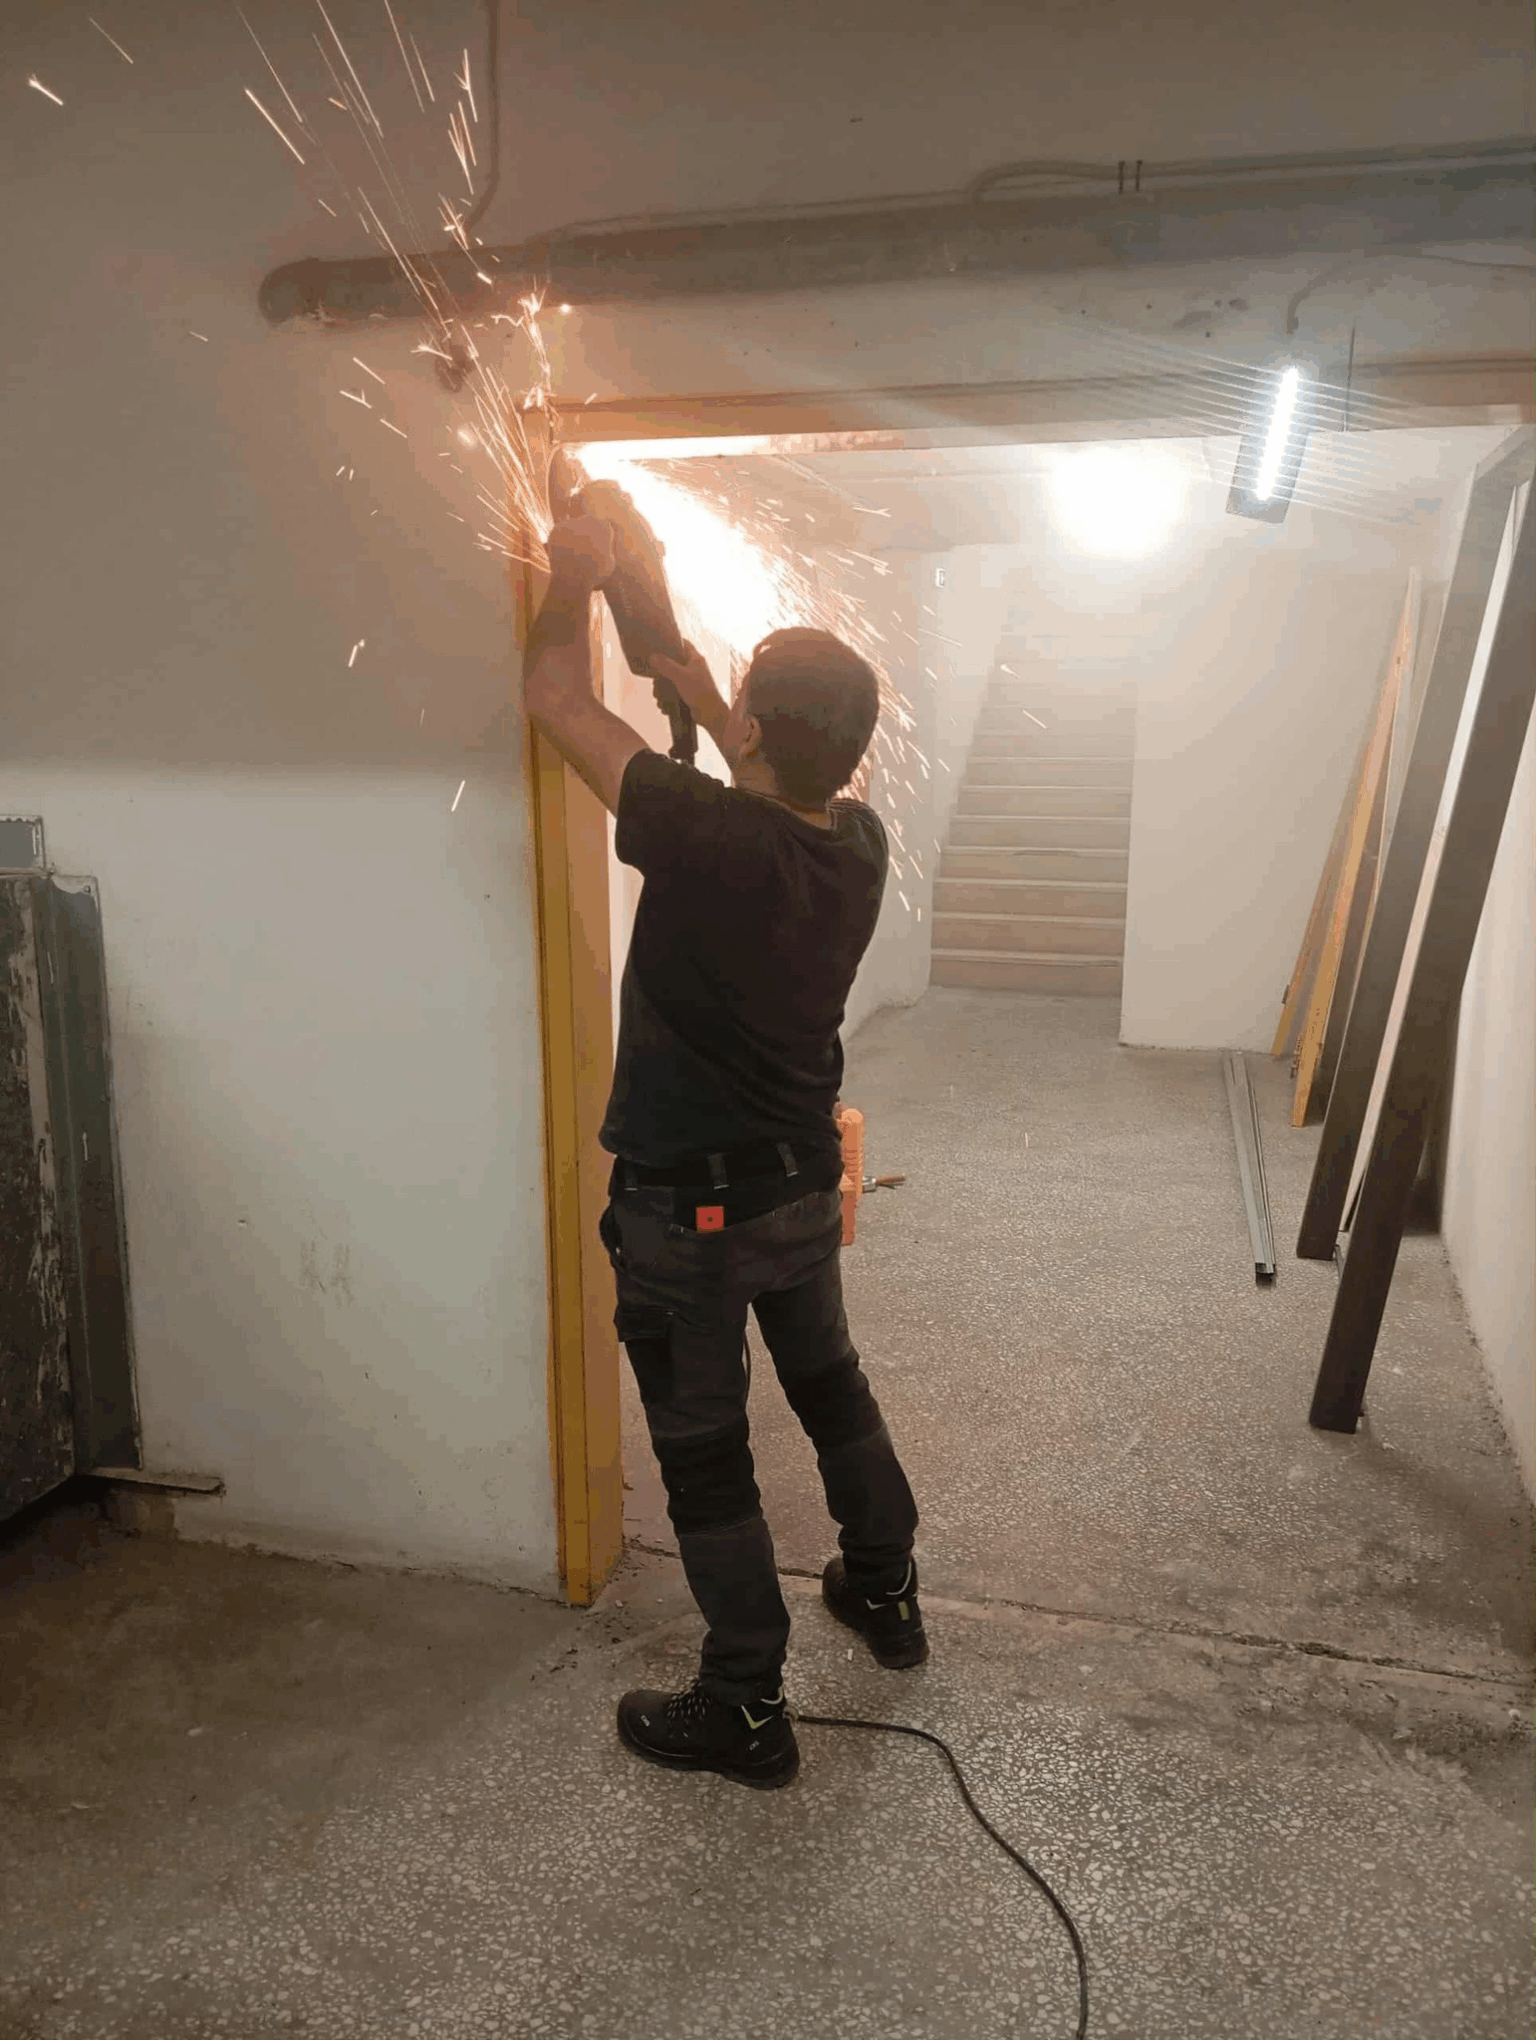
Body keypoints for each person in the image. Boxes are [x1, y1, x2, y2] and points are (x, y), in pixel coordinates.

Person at [522, 511, 923, 1792]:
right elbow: (751, 751)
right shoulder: (856, 844)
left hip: (686, 1217)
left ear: (749, 732)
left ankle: (745, 1705)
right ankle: (884, 1587)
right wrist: (672, 642)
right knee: (832, 1389)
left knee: (704, 1454)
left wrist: (570, 583)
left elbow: (553, 699)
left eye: (739, 702)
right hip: (800, 1191)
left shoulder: (699, 829)